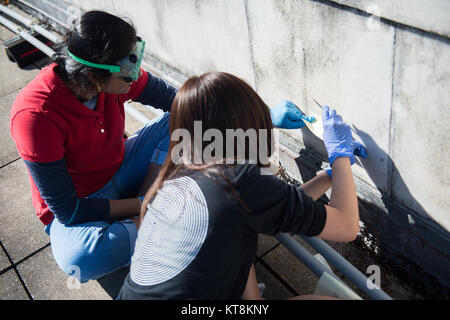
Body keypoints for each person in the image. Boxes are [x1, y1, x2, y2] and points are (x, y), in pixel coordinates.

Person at [9, 10, 309, 283]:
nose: (135, 76)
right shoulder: (35, 118)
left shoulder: (112, 76)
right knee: (79, 259)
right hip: (81, 199)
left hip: (120, 167)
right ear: (92, 77)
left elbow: (186, 104)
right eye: (126, 74)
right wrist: (147, 202)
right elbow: (70, 211)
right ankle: (169, 221)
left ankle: (156, 224)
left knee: (183, 118)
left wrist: (264, 116)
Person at [116, 71, 363, 300]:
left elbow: (279, 206)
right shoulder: (235, 182)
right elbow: (346, 226)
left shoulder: (176, 178)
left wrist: (331, 174)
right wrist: (339, 155)